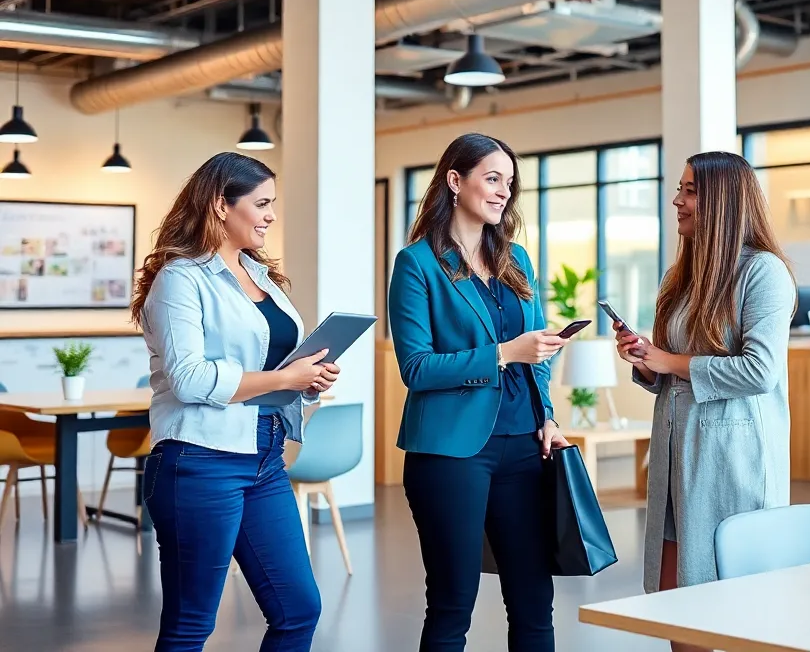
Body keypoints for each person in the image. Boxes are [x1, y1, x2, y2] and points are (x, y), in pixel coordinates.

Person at [132, 152, 339, 652]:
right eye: (262, 203)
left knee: (299, 610)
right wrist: (280, 377)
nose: (270, 215)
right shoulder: (181, 278)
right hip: (198, 463)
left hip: (265, 459)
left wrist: (302, 379)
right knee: (191, 625)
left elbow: (271, 363)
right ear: (221, 206)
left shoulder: (261, 276)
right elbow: (188, 378)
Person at [389, 132, 571, 652]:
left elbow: (537, 351)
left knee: (535, 602)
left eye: (508, 184)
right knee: (452, 604)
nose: (502, 193)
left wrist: (549, 416)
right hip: (450, 453)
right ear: (455, 180)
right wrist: (503, 353)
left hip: (525, 445)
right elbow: (417, 368)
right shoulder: (418, 263)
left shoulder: (517, 259)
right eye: (492, 179)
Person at [615, 151, 796, 652]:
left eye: (691, 190)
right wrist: (646, 361)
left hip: (732, 464)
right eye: (680, 188)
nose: (677, 199)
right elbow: (669, 369)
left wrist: (668, 361)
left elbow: (760, 371)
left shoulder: (764, 274)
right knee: (678, 603)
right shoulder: (683, 277)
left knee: (736, 605)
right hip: (677, 460)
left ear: (723, 200)